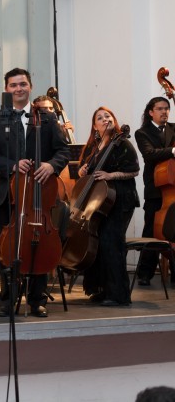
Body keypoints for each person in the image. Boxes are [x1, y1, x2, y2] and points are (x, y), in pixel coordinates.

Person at [0, 68, 69, 318]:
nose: (18, 89)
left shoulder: (47, 118)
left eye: (22, 84)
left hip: (38, 194)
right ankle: (7, 300)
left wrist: (52, 165)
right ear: (7, 89)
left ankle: (37, 300)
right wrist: (11, 165)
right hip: (6, 194)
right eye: (13, 85)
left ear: (30, 86)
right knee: (7, 249)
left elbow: (63, 151)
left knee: (39, 244)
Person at [76, 107, 139, 306]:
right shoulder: (93, 147)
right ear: (95, 126)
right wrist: (82, 170)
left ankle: (119, 294)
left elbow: (134, 171)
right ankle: (102, 290)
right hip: (99, 202)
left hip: (120, 199)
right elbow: (87, 175)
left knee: (112, 243)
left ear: (114, 119)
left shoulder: (123, 143)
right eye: (100, 118)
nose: (105, 119)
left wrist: (110, 175)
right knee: (98, 244)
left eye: (108, 116)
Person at [134, 97, 175, 286]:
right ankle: (145, 273)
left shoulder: (173, 129)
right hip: (155, 189)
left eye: (167, 108)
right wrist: (172, 151)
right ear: (151, 112)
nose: (165, 112)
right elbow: (149, 155)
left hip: (172, 189)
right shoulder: (142, 133)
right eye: (160, 109)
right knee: (151, 231)